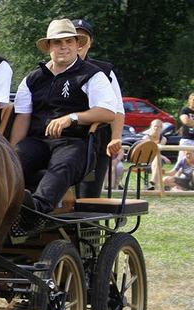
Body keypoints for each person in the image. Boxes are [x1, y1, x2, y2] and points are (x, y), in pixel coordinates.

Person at [10, 19, 116, 213]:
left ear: (77, 44)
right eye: (58, 42)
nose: (64, 47)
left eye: (69, 41)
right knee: (12, 162)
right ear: (49, 46)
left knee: (62, 164)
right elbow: (22, 118)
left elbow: (109, 112)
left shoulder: (93, 75)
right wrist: (9, 151)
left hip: (74, 142)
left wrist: (72, 117)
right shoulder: (32, 79)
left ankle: (36, 210)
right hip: (37, 141)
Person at [71, 19, 125, 198]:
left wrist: (116, 138)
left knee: (88, 197)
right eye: (73, 38)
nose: (78, 43)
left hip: (96, 141)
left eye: (82, 38)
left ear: (89, 42)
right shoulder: (50, 71)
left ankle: (90, 226)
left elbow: (117, 109)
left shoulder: (104, 71)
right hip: (64, 140)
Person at [142, 119, 171, 190]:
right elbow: (151, 152)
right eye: (155, 126)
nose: (156, 128)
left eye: (158, 126)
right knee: (157, 159)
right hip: (147, 160)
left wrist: (161, 157)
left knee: (157, 160)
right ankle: (155, 184)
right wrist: (164, 157)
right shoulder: (146, 138)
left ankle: (154, 182)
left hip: (158, 160)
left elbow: (157, 151)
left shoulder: (163, 139)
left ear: (161, 128)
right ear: (151, 127)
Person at [178, 92, 194, 159]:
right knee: (183, 160)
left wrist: (191, 122)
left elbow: (190, 122)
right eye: (193, 100)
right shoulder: (185, 110)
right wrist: (190, 122)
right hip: (187, 139)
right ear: (189, 100)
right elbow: (186, 121)